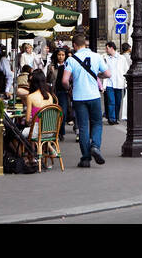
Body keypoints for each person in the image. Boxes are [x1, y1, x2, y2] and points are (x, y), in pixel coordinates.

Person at [65, 33, 108, 168]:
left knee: (83, 127)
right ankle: (95, 145)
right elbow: (108, 74)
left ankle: (85, 158)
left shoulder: (71, 60)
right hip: (94, 95)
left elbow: (64, 80)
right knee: (97, 123)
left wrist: (70, 89)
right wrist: (98, 74)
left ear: (74, 45)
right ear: (86, 43)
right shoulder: (96, 56)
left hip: (79, 97)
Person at [49, 47, 73, 138]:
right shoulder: (51, 66)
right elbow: (48, 79)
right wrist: (51, 72)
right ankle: (55, 131)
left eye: (63, 55)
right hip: (54, 91)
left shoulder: (68, 65)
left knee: (62, 112)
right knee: (54, 112)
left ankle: (61, 132)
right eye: (59, 55)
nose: (61, 57)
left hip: (64, 91)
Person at [102, 42, 126, 125]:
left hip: (119, 82)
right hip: (109, 83)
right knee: (111, 101)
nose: (106, 50)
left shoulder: (121, 58)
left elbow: (125, 70)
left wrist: (125, 82)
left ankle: (116, 117)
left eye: (107, 48)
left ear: (112, 48)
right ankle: (112, 119)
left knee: (118, 101)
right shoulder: (105, 58)